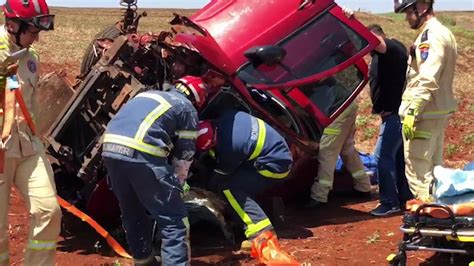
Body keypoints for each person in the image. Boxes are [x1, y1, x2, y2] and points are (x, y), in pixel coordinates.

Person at [102, 76, 209, 265]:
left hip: (110, 151)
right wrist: (179, 184)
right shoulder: (186, 108)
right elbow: (185, 153)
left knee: (132, 212)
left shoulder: (147, 95)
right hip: (142, 155)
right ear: (198, 99)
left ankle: (143, 261)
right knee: (174, 220)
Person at [0, 1, 61, 265]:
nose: (36, 38)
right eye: (32, 31)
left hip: (27, 144)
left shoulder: (31, 57)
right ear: (13, 26)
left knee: (49, 210)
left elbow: (29, 100)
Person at [196, 110, 297, 263]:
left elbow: (220, 177)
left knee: (229, 189)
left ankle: (261, 232)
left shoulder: (229, 148)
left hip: (274, 167)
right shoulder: (227, 116)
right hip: (277, 153)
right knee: (237, 181)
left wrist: (207, 187)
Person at [344, 8, 414, 216]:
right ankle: (404, 198)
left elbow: (374, 42)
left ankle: (388, 202)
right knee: (398, 158)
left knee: (382, 157)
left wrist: (352, 20)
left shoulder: (391, 48)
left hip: (394, 115)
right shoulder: (386, 54)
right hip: (394, 114)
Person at [395, 0, 457, 201]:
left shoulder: (430, 36)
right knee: (434, 169)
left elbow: (428, 78)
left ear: (421, 7)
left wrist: (413, 111)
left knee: (418, 171)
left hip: (423, 114)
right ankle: (439, 219)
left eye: (408, 13)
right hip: (435, 113)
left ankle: (429, 216)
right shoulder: (444, 32)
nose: (406, 18)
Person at [305, 102, 372, 208]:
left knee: (327, 152)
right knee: (347, 150)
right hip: (347, 106)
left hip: (335, 113)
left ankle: (319, 196)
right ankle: (363, 186)